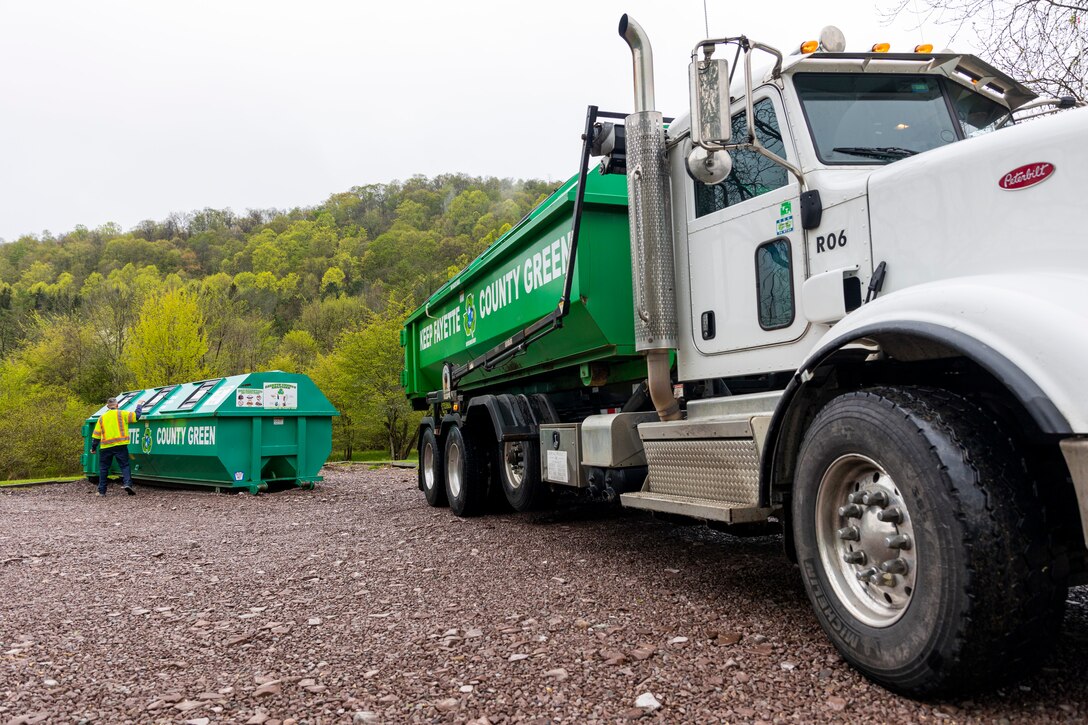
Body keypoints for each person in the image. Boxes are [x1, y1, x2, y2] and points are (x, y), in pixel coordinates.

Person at [90, 397, 144, 497]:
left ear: (107, 406)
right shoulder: (122, 414)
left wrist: (93, 448)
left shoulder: (102, 418)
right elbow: (137, 416)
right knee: (124, 465)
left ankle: (102, 491)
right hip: (120, 445)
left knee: (103, 468)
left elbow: (96, 436)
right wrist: (139, 404)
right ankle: (127, 484)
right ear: (117, 405)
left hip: (106, 447)